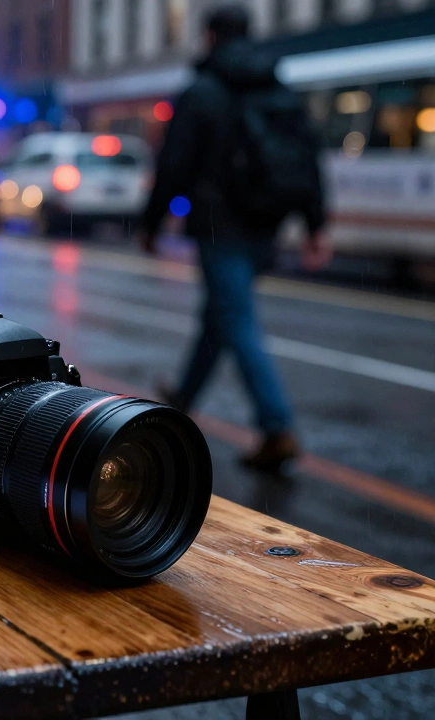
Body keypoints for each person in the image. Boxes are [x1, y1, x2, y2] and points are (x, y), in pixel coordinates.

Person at [136, 4, 330, 473]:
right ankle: (182, 400)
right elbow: (307, 159)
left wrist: (151, 223)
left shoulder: (202, 91)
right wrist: (314, 224)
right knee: (220, 315)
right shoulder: (279, 90)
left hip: (220, 225)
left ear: (209, 38)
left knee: (236, 319)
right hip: (267, 224)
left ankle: (276, 426)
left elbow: (174, 164)